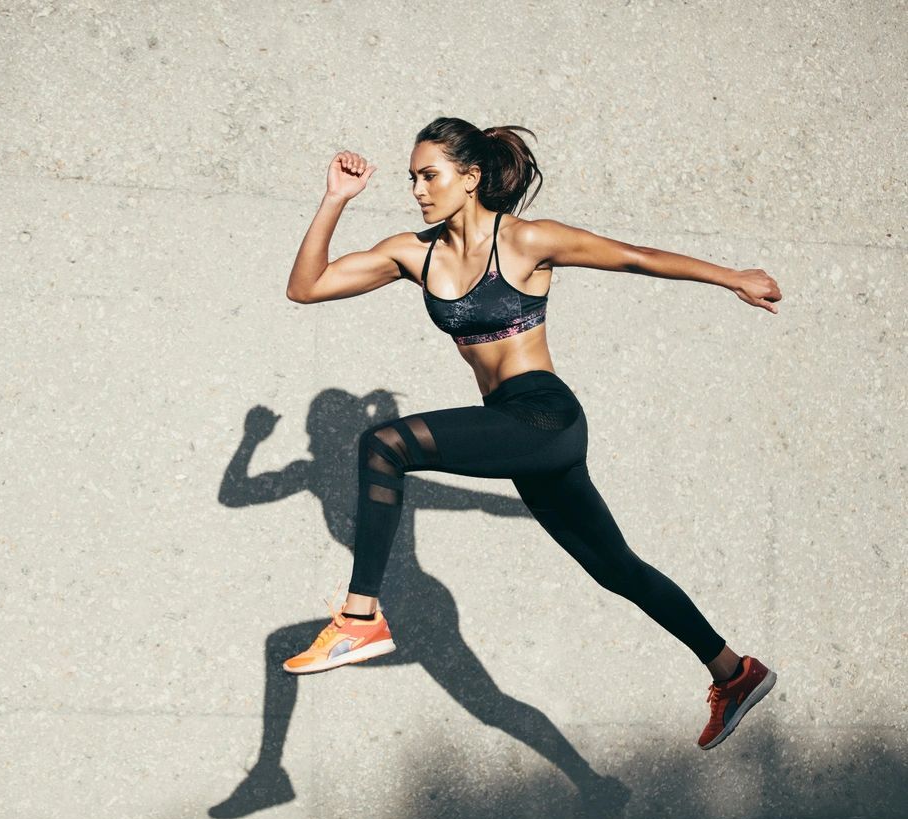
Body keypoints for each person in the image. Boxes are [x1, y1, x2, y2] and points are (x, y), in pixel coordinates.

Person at [282, 117, 782, 750]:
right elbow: (306, 288)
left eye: (429, 175)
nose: (417, 189)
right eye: (412, 177)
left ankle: (359, 617)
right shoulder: (413, 253)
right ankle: (734, 672)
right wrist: (334, 200)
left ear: (470, 177)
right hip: (510, 431)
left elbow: (635, 257)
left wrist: (732, 275)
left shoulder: (526, 241)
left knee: (384, 445)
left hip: (544, 416)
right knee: (614, 566)